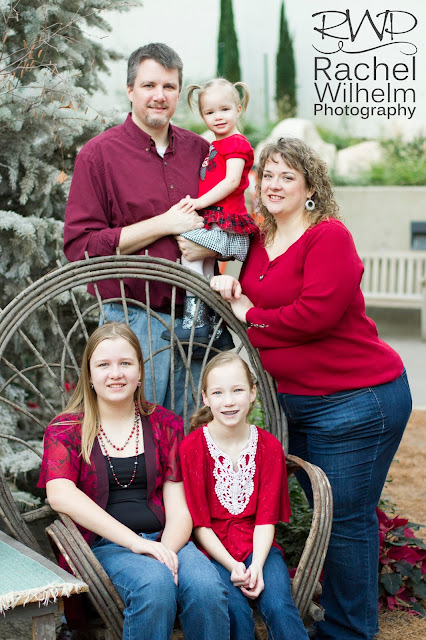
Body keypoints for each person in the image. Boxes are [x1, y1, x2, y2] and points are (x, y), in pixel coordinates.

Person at [208, 138, 412, 640]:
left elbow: (315, 314)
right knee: (328, 517)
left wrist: (250, 316)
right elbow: (244, 286)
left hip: (357, 399)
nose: (274, 185)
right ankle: (342, 621)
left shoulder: (328, 237)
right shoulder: (261, 239)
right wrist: (231, 285)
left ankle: (349, 632)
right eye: (268, 175)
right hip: (298, 403)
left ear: (310, 188)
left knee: (344, 520)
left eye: (287, 177)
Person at [63, 43, 233, 415]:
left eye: (169, 87)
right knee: (139, 431)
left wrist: (211, 246)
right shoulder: (98, 155)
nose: (159, 96)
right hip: (131, 319)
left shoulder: (201, 151)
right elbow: (80, 247)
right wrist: (164, 224)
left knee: (195, 429)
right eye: (149, 85)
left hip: (197, 318)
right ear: (130, 90)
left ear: (179, 93)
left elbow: (233, 225)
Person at [38, 322, 229, 640]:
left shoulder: (165, 423)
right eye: (104, 365)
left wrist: (163, 551)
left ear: (139, 372)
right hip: (103, 547)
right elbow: (60, 494)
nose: (115, 373)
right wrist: (136, 544)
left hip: (167, 539)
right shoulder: (66, 429)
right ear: (89, 375)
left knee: (207, 587)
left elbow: (180, 508)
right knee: (153, 585)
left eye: (125, 363)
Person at [179, 352, 309, 640]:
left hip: (258, 546)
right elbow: (200, 525)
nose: (228, 401)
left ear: (252, 393)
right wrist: (233, 566)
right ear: (205, 398)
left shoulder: (269, 447)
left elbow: (265, 519)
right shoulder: (192, 448)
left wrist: (257, 566)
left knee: (279, 606)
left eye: (237, 390)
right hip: (212, 550)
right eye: (218, 392)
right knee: (235, 611)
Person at [161, 79, 257, 344]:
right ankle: (211, 317)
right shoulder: (214, 145)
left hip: (226, 219)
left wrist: (199, 202)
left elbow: (232, 181)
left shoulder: (236, 143)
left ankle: (196, 317)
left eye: (225, 109)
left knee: (190, 255)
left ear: (238, 109)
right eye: (210, 112)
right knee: (204, 267)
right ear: (202, 116)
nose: (218, 117)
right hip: (215, 217)